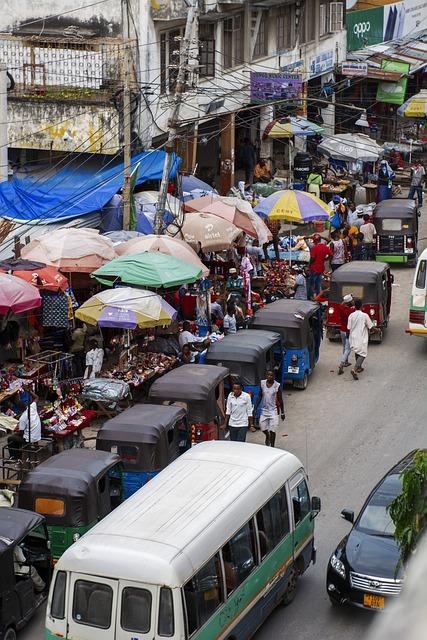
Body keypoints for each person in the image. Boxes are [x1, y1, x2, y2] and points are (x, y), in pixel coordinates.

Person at [7, 388, 42, 459]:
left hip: (30, 438)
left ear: (20, 409)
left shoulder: (22, 418)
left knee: (10, 438)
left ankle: (14, 457)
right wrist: (29, 391)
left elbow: (21, 433)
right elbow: (37, 397)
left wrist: (16, 430)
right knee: (16, 436)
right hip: (38, 434)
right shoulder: (32, 407)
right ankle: (18, 453)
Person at [256, 370, 285, 447]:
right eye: (268, 375)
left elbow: (280, 400)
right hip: (264, 410)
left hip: (273, 411)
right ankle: (267, 436)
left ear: (274, 376)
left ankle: (272, 446)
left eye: (271, 375)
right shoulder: (262, 383)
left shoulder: (277, 386)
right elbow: (260, 395)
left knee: (273, 430)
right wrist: (255, 406)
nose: (269, 376)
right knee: (262, 427)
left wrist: (282, 412)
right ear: (266, 375)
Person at [348, 299, 373, 380]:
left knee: (357, 351)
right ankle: (354, 369)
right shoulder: (365, 315)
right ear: (362, 306)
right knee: (363, 354)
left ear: (354, 306)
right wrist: (378, 330)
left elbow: (349, 327)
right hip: (361, 337)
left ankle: (359, 367)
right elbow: (371, 326)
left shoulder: (351, 315)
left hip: (353, 337)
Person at [308, 234, 332, 298]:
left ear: (315, 241)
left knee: (311, 284)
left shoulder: (314, 248)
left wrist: (309, 265)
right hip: (321, 268)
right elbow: (331, 255)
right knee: (318, 283)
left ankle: (311, 297)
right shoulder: (325, 247)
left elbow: (312, 258)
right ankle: (318, 297)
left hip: (314, 268)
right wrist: (325, 259)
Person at [337, 294, 355, 375]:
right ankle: (342, 363)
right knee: (348, 349)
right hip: (348, 331)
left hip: (342, 330)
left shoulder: (341, 308)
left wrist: (346, 300)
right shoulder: (351, 311)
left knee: (344, 347)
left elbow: (341, 304)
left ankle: (346, 361)